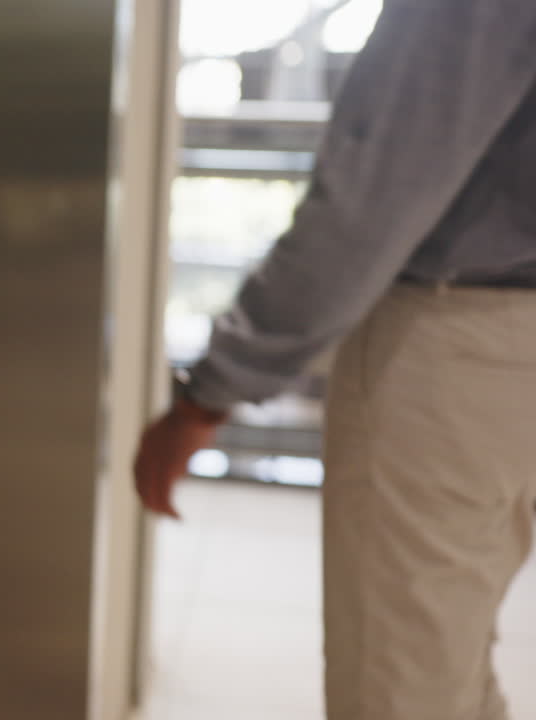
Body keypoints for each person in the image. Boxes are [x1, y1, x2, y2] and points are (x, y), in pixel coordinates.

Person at [133, 3, 536, 719]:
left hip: (461, 347)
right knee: (453, 670)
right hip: (491, 353)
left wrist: (213, 390)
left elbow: (378, 192)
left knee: (405, 690)